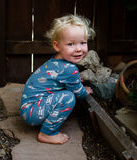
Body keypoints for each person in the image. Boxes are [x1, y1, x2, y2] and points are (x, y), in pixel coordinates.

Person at [19, 14, 95, 144]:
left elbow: (58, 80)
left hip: (30, 108)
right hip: (32, 113)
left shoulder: (57, 61)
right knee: (69, 97)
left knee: (67, 93)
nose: (78, 49)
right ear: (57, 46)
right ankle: (47, 133)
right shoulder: (69, 69)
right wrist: (85, 91)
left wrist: (75, 80)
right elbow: (80, 94)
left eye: (83, 43)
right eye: (71, 44)